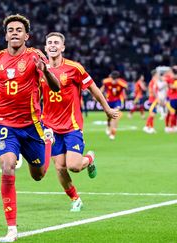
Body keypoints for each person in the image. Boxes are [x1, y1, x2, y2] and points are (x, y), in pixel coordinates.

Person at [0, 14, 60, 242]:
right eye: (11, 29)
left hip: (32, 126)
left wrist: (47, 70)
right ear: (5, 35)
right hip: (6, 124)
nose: (14, 32)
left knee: (39, 175)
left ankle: (48, 141)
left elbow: (56, 87)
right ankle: (11, 228)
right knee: (7, 165)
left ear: (26, 36)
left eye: (19, 30)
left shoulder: (35, 57)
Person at [41, 32, 119, 212]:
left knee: (74, 166)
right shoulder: (40, 70)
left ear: (62, 48)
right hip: (50, 127)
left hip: (71, 125)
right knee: (60, 167)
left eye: (56, 43)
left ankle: (89, 158)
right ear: (45, 48)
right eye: (49, 42)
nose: (52, 45)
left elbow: (93, 88)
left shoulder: (74, 68)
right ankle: (75, 199)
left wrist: (107, 109)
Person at [101, 71, 127, 140]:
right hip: (109, 101)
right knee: (109, 117)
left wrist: (124, 95)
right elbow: (103, 87)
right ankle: (108, 125)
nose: (113, 81)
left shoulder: (121, 83)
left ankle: (112, 133)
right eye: (112, 79)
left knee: (115, 116)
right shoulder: (106, 82)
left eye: (115, 80)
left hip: (117, 101)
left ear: (118, 79)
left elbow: (125, 87)